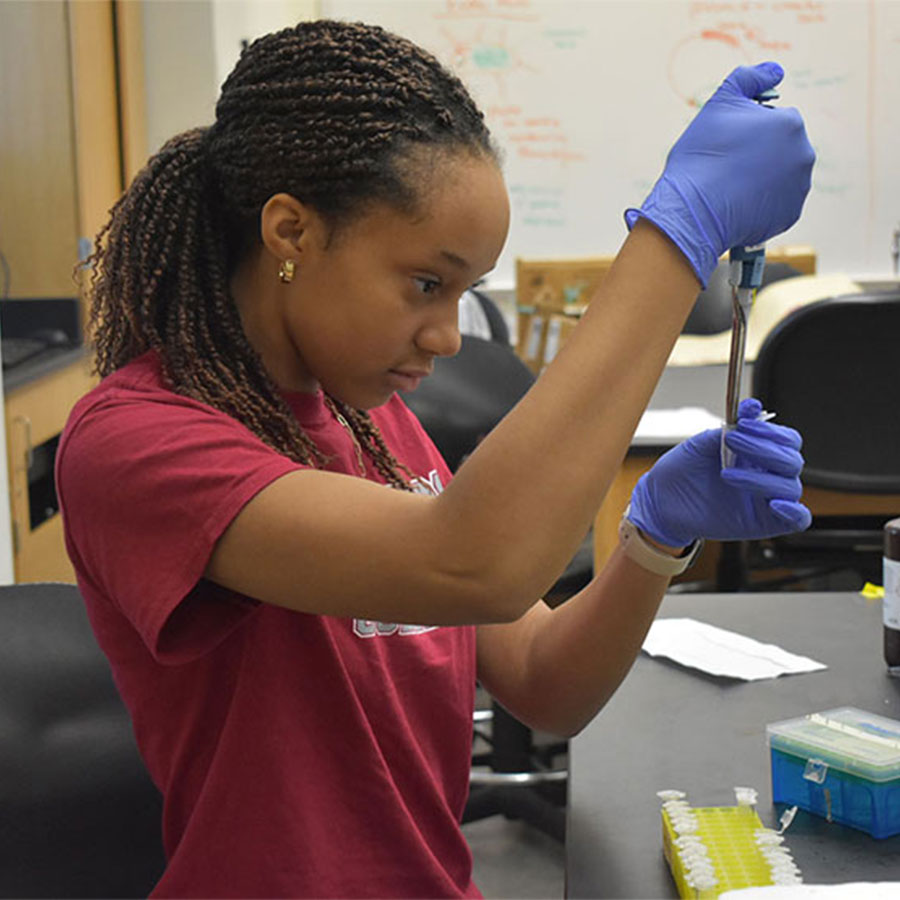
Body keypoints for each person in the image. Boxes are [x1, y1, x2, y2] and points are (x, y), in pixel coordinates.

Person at [56, 19, 815, 899]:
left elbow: (542, 681)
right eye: (427, 283)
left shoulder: (374, 425)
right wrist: (680, 233)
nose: (449, 336)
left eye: (465, 294)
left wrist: (653, 537)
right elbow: (475, 563)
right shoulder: (139, 441)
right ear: (292, 233)